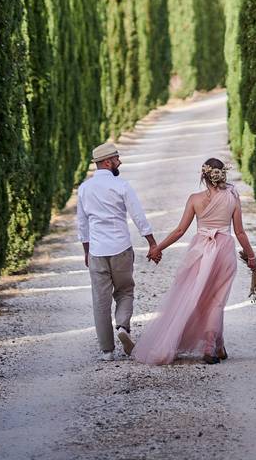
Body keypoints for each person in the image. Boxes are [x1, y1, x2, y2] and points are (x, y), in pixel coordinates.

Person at [132, 158, 256, 365]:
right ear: (222, 175)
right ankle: (212, 347)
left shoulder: (194, 199)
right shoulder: (233, 198)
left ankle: (216, 345)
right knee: (217, 300)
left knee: (197, 297)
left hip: (200, 250)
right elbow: (240, 232)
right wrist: (251, 256)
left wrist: (157, 248)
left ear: (203, 176)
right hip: (224, 249)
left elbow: (180, 230)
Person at [76, 142, 157, 361]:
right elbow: (138, 216)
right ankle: (123, 326)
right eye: (117, 158)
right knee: (125, 291)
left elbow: (82, 224)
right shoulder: (121, 185)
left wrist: (86, 251)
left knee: (100, 301)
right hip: (120, 248)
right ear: (107, 162)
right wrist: (151, 242)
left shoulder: (84, 188)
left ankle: (107, 351)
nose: (120, 161)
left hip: (97, 251)